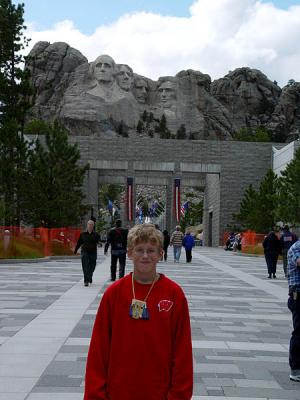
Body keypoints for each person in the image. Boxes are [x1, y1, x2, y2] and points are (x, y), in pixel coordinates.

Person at [84, 223, 193, 399]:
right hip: (118, 392)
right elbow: (99, 349)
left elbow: (182, 353)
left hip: (159, 393)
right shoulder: (114, 294)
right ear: (129, 253)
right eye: (139, 250)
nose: (145, 256)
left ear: (160, 254)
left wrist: (179, 395)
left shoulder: (174, 295)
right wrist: (95, 394)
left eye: (151, 250)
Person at [287, 238, 300, 382]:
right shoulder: (296, 248)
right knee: (299, 332)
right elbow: (298, 261)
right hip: (298, 297)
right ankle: (296, 370)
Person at [74, 220, 100, 286]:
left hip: (93, 252)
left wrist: (100, 244)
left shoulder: (96, 234)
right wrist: (75, 250)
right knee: (85, 266)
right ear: (87, 225)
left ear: (93, 226)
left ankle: (90, 276)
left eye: (91, 225)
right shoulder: (83, 234)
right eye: (89, 224)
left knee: (92, 266)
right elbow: (79, 243)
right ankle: (86, 281)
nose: (90, 226)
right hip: (85, 252)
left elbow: (98, 242)